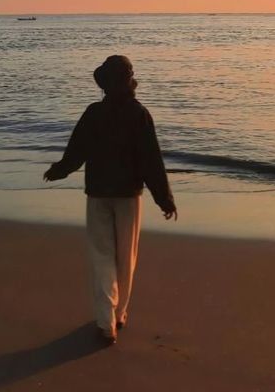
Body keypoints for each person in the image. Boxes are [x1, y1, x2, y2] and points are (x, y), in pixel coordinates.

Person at [43, 55, 177, 344]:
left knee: (101, 256)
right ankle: (119, 314)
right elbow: (151, 161)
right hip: (129, 195)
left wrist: (59, 171)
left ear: (104, 85)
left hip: (98, 193)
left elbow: (76, 151)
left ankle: (106, 321)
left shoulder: (93, 113)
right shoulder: (140, 114)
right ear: (130, 83)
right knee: (125, 257)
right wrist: (164, 198)